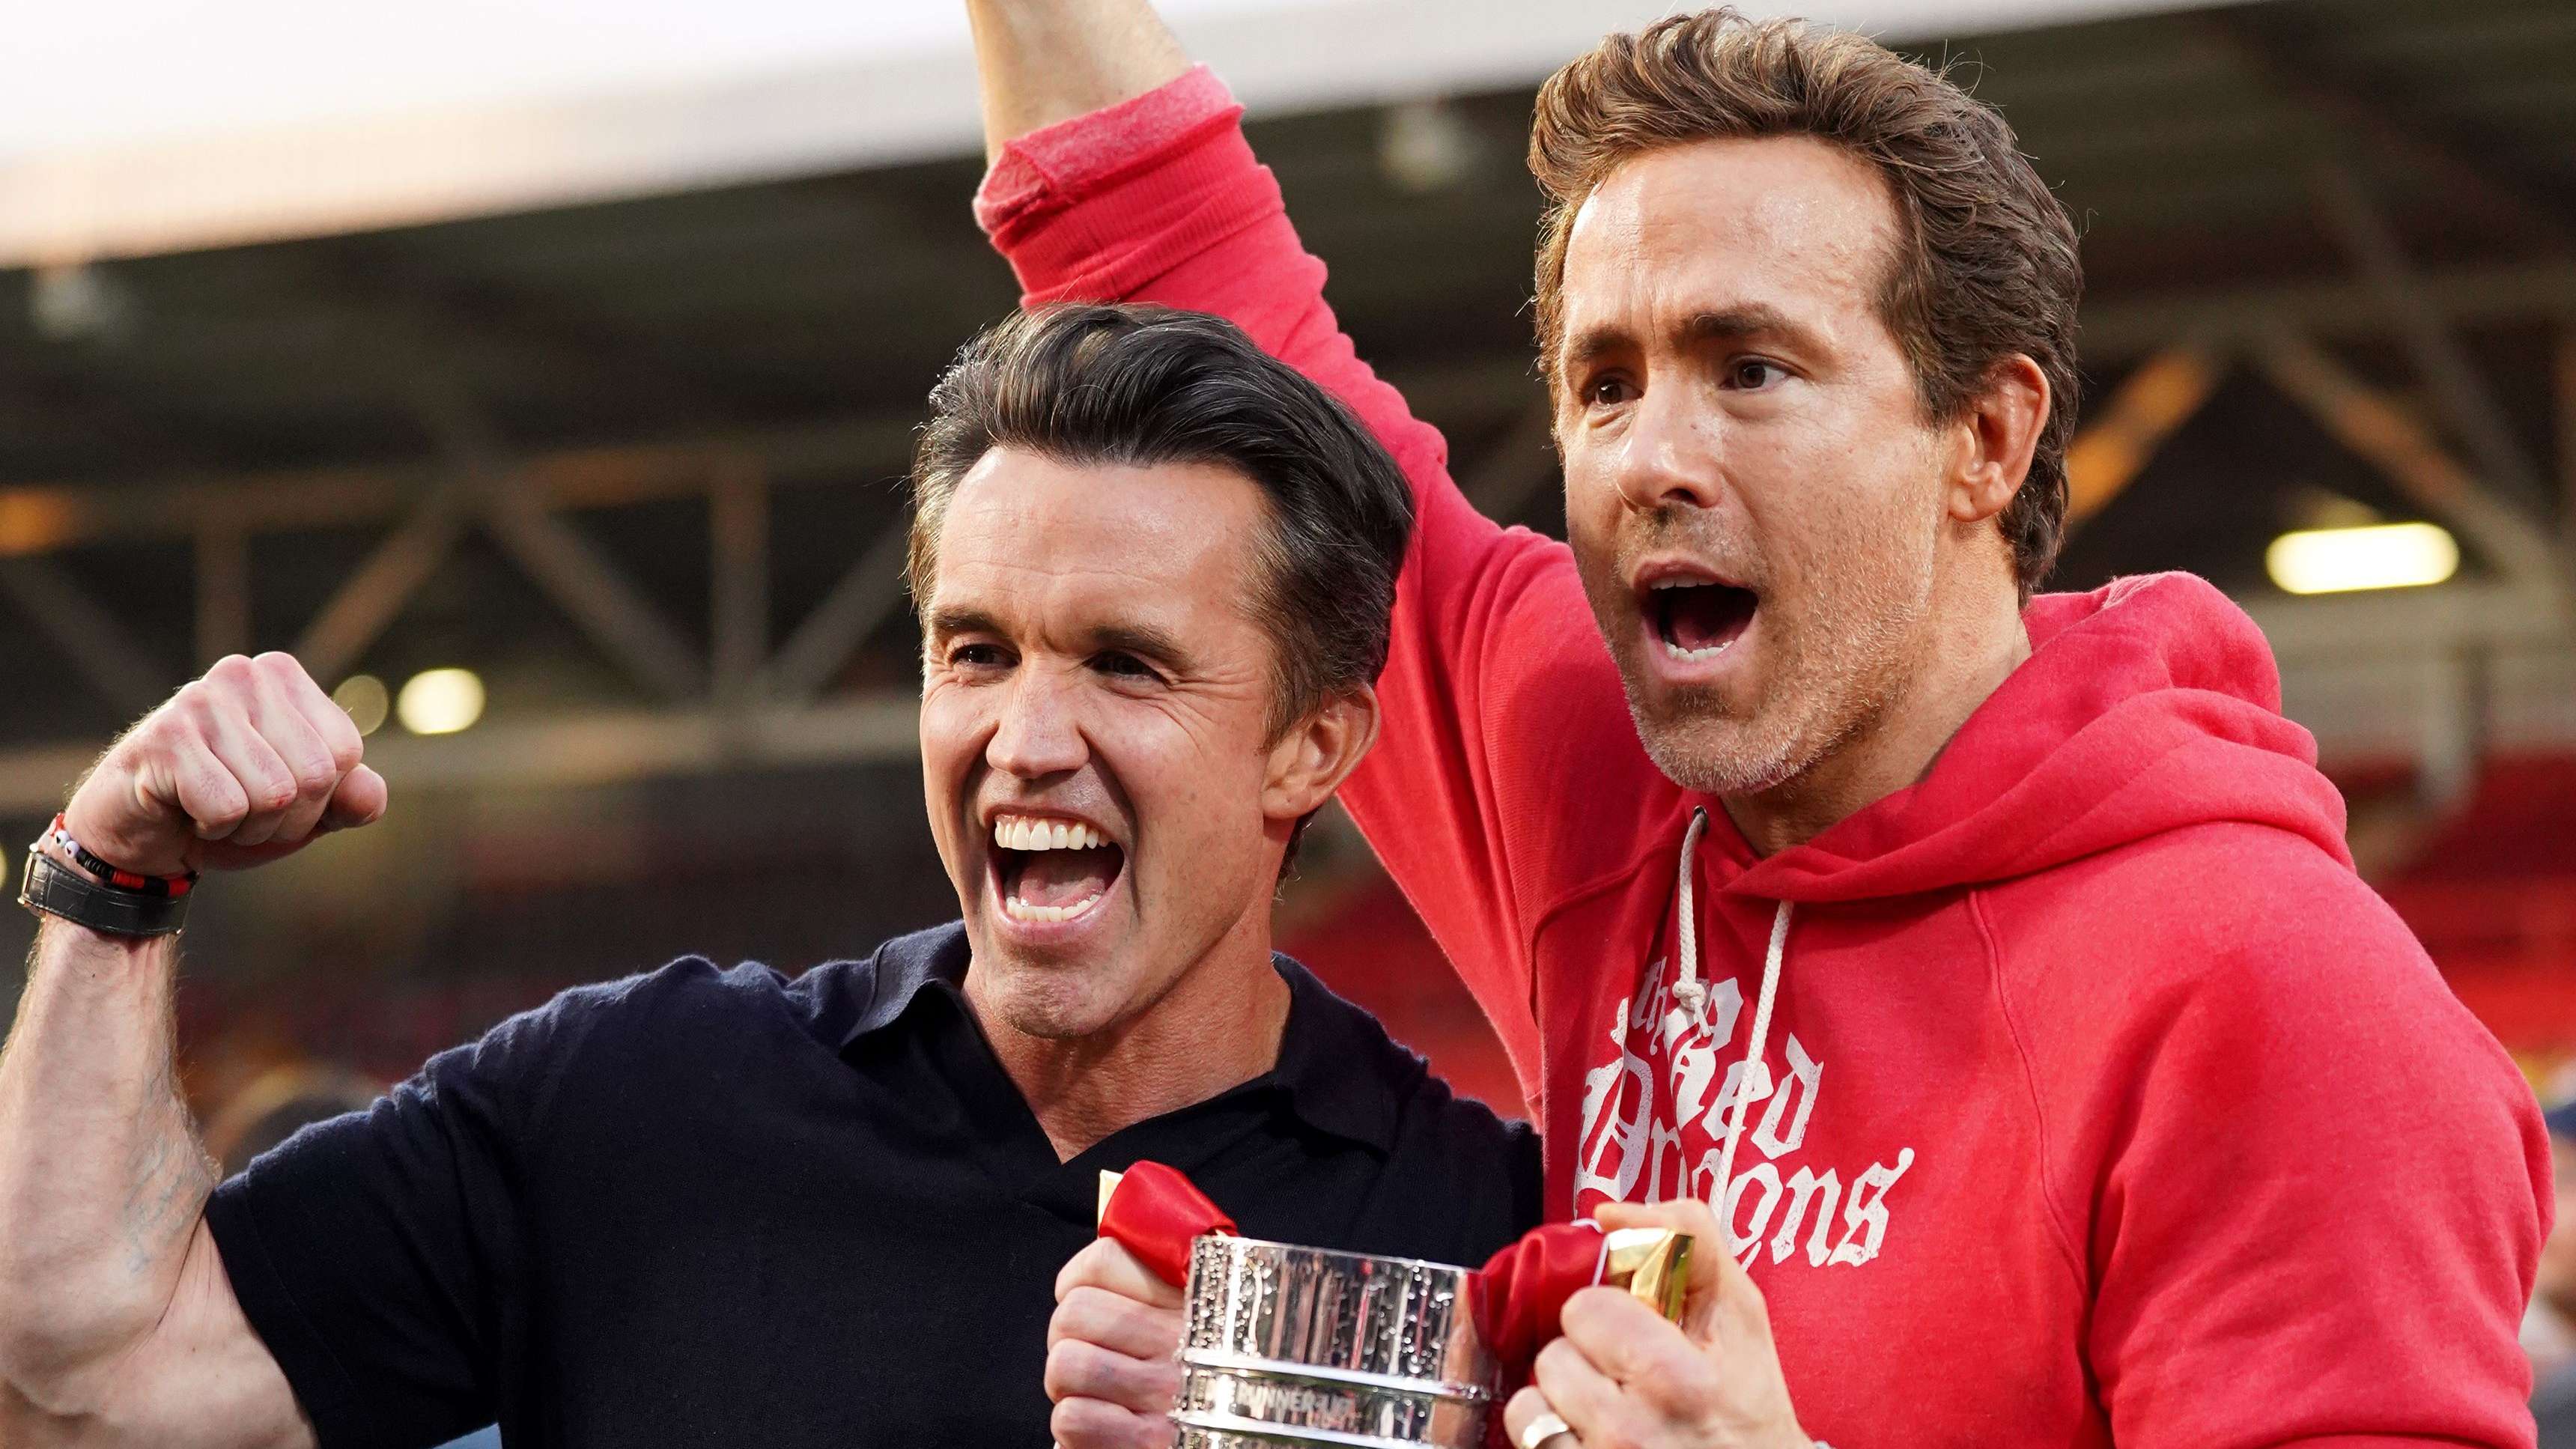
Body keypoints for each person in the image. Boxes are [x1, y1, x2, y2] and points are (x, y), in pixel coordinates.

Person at [963, 4, 2551, 1446]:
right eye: (1604, 383)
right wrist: (1346, 1397)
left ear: (1985, 438)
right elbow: (1172, 259)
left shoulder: (2279, 996)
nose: (1652, 455)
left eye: (1750, 368)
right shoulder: (1587, 759)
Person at [0, 303, 1541, 1448]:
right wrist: (112, 877)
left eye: (1124, 664)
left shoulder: (1475, 1230)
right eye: (976, 652)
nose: (1023, 739)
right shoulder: (634, 1103)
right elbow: (79, 1392)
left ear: (1312, 746)